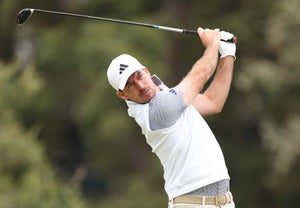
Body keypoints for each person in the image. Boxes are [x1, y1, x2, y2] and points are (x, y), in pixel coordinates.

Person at [107, 27, 236, 208]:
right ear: (123, 95)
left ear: (145, 70)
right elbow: (201, 74)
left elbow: (212, 102)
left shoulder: (168, 97)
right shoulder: (157, 111)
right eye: (130, 85)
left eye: (138, 75)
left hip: (224, 202)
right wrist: (213, 44)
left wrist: (228, 54)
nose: (140, 85)